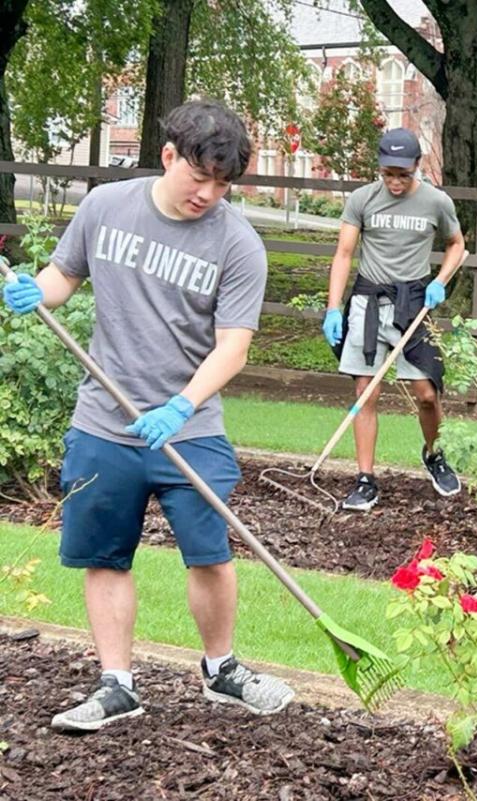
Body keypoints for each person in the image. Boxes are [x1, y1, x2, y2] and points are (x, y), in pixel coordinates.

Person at [3, 99, 294, 732]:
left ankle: (222, 670)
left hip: (189, 425)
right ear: (169, 156)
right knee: (106, 556)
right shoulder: (106, 207)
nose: (209, 194)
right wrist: (34, 291)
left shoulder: (238, 243)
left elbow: (233, 346)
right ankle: (117, 685)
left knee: (210, 552)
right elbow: (62, 276)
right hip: (103, 422)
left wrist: (180, 405)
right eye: (200, 176)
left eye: (223, 184)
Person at [322, 127, 467, 511]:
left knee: (426, 393)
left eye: (403, 174)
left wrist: (440, 281)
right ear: (380, 168)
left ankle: (434, 455)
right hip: (368, 300)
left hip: (415, 302)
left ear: (417, 167)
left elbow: (457, 245)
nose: (396, 181)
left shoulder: (436, 202)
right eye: (388, 173)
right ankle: (366, 480)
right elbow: (343, 253)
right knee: (365, 392)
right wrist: (334, 307)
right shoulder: (362, 200)